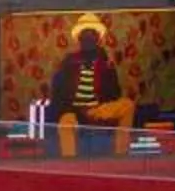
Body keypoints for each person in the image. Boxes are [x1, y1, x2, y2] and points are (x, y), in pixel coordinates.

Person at [46, 12, 136, 157]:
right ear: (80, 38)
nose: (88, 37)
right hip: (74, 111)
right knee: (65, 123)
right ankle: (70, 162)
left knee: (128, 105)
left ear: (97, 38)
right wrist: (69, 110)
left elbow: (115, 94)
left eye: (92, 33)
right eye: (85, 34)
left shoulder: (105, 62)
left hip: (99, 109)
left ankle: (121, 154)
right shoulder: (69, 61)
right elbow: (58, 92)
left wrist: (108, 69)